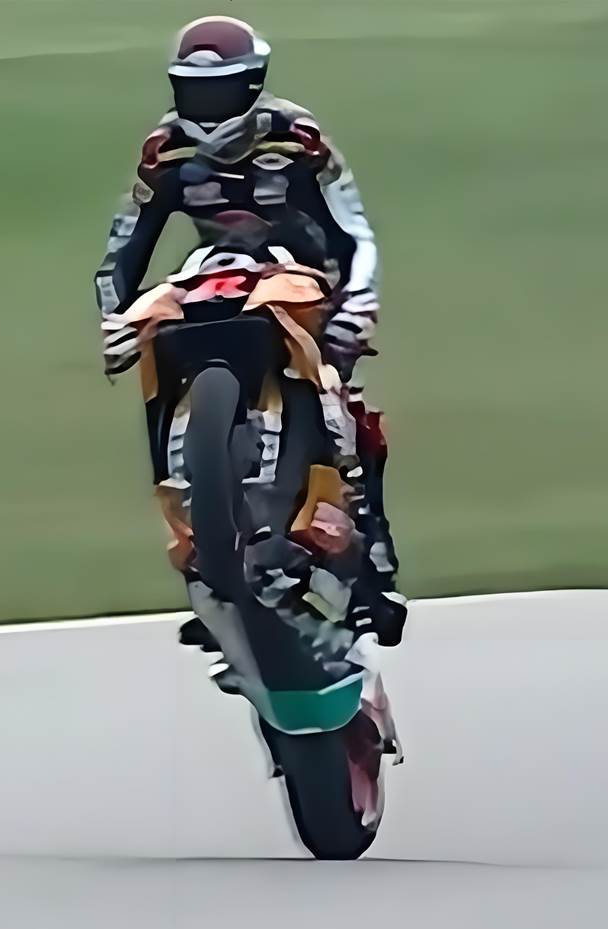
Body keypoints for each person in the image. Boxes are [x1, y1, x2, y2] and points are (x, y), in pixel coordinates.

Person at [94, 15, 406, 647]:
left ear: (252, 84)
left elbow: (353, 226)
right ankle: (203, 559)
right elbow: (125, 244)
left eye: (218, 90)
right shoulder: (164, 149)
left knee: (344, 403)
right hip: (213, 277)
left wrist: (356, 302)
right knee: (153, 346)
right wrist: (116, 317)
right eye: (193, 89)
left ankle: (375, 565)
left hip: (304, 279)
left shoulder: (300, 139)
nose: (205, 105)